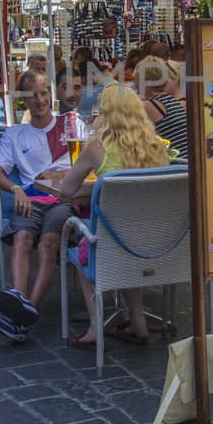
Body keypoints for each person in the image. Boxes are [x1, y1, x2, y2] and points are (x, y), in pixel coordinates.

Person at [54, 84, 169, 346]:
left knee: (84, 248)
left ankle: (95, 328)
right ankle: (138, 322)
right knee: (129, 232)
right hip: (155, 242)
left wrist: (97, 186)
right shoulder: (157, 147)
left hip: (112, 245)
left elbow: (67, 190)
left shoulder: (98, 148)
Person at [0, 71, 71, 342]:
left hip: (63, 200)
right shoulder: (15, 134)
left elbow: (88, 165)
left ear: (51, 95)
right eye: (33, 95)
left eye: (44, 93)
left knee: (47, 246)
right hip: (32, 199)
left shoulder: (69, 126)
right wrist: (15, 189)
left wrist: (56, 177)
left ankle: (23, 314)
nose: (40, 100)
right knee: (22, 238)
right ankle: (21, 306)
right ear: (23, 100)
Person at [136, 58, 188, 159]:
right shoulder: (171, 101)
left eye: (137, 81)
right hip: (185, 162)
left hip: (174, 165)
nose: (136, 86)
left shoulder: (148, 106)